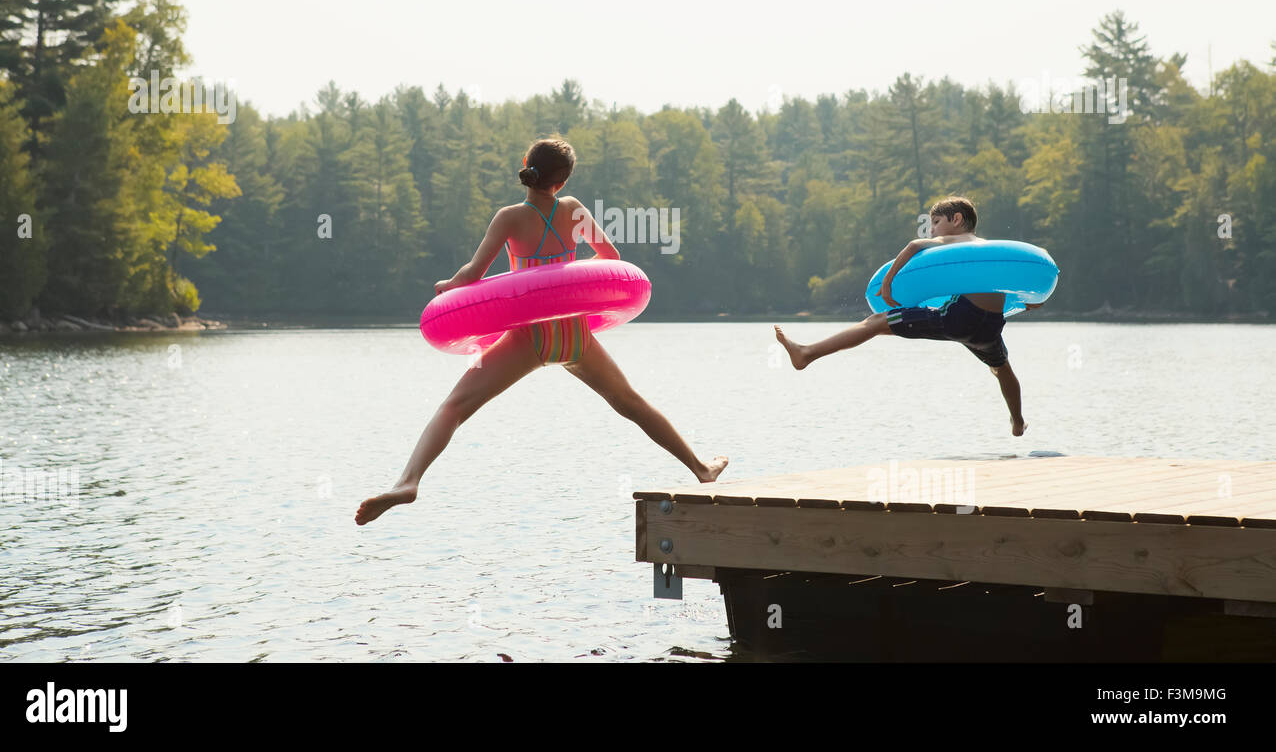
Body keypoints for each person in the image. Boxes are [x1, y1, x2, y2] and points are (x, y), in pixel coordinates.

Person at [356, 138, 728, 524]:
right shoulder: (574, 210)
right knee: (630, 402)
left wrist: (446, 287)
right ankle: (700, 467)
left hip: (529, 337)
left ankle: (409, 481)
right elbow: (611, 261)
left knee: (454, 408)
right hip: (575, 335)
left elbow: (473, 275)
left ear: (525, 167)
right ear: (563, 180)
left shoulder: (510, 218)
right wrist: (567, 280)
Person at [773, 196, 1042, 438]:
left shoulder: (957, 241)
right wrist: (1026, 303)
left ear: (957, 219)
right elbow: (1013, 290)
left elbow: (915, 245)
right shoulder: (992, 255)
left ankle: (807, 353)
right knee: (1001, 369)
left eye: (936, 222)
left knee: (876, 322)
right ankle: (1017, 422)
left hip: (959, 318)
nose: (932, 229)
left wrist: (888, 281)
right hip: (990, 326)